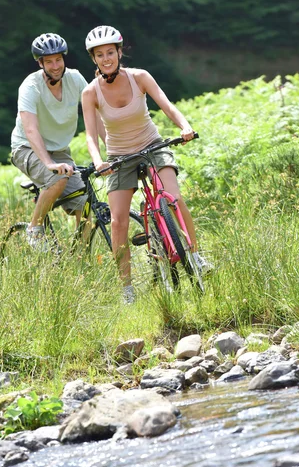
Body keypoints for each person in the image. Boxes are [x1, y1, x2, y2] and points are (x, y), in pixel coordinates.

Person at [81, 25, 209, 303]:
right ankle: (127, 288)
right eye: (100, 55)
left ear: (119, 52)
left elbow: (166, 104)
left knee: (173, 197)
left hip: (152, 144)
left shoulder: (139, 77)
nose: (106, 59)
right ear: (94, 59)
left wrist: (185, 126)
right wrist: (98, 161)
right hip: (119, 157)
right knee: (117, 222)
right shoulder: (90, 92)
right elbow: (91, 136)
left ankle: (197, 257)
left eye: (110, 53)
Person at [11, 32, 89, 250]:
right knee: (56, 179)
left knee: (86, 205)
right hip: (26, 147)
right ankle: (34, 229)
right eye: (49, 61)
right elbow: (31, 129)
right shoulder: (30, 86)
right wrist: (49, 164)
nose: (55, 65)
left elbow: (96, 110)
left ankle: (79, 261)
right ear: (40, 63)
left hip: (60, 150)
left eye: (59, 59)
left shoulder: (75, 79)